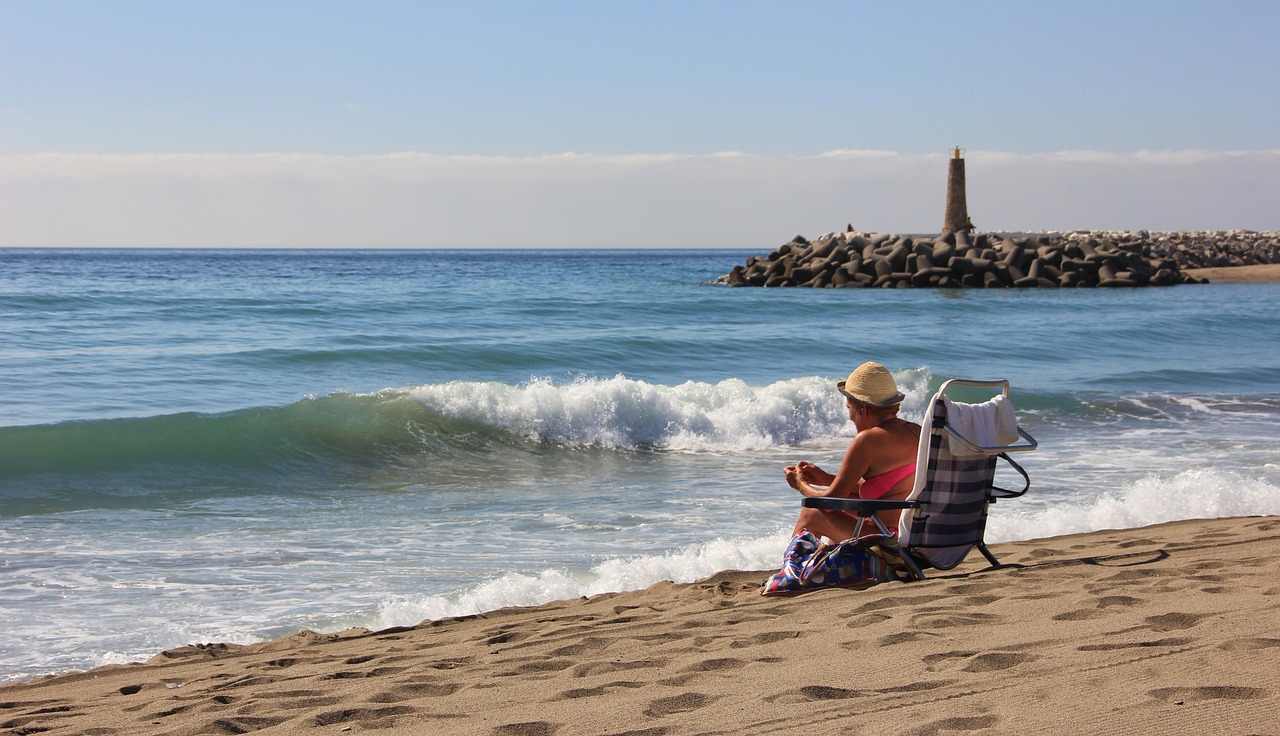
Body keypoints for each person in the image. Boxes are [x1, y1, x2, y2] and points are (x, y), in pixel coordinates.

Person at [784, 361, 921, 540]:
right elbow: (890, 489)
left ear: (862, 409)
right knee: (840, 520)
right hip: (915, 538)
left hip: (889, 544)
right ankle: (814, 566)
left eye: (849, 408)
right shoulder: (918, 432)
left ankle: (793, 568)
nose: (849, 417)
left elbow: (829, 503)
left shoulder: (869, 440)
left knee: (813, 511)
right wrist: (826, 479)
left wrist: (800, 484)